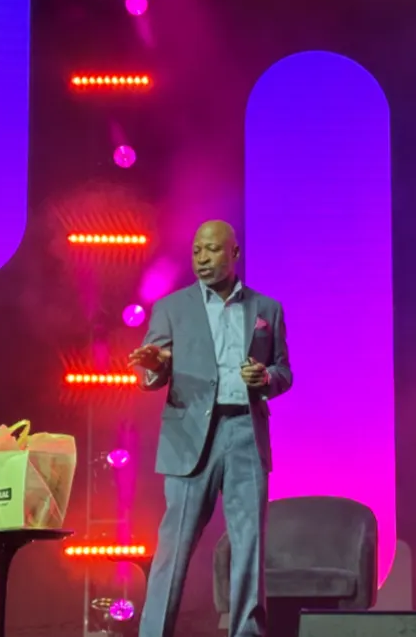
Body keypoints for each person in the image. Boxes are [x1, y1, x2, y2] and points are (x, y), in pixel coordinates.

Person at [131, 220, 292, 637]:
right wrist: (152, 368)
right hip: (190, 438)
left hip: (244, 433)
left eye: (213, 251)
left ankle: (247, 634)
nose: (202, 259)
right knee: (173, 548)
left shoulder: (266, 309)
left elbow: (284, 371)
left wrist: (266, 379)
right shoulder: (171, 307)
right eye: (196, 251)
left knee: (249, 546)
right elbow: (152, 369)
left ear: (234, 254)